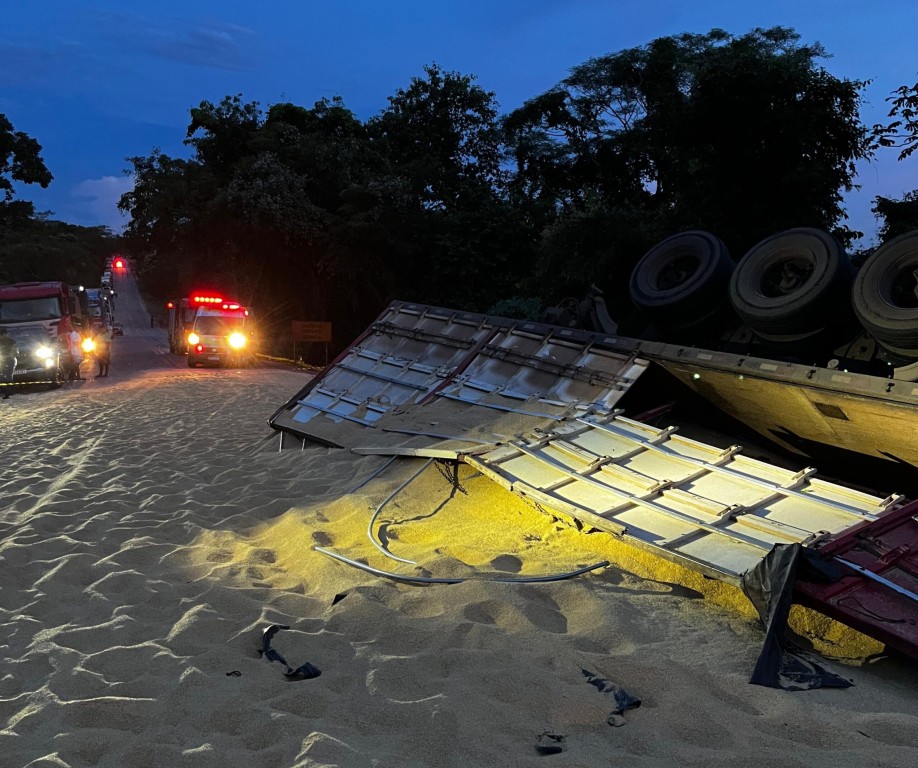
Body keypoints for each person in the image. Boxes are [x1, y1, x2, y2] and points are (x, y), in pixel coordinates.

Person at [0, 327, 16, 398]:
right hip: (3, 360)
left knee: (8, 376)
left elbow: (15, 351)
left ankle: (8, 392)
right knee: (3, 376)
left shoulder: (11, 342)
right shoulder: (10, 341)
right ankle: (6, 391)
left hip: (9, 360)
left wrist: (10, 355)